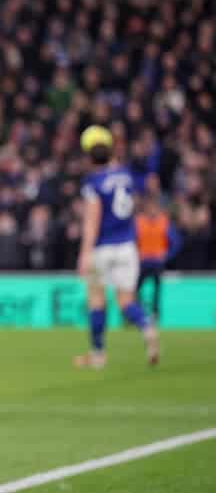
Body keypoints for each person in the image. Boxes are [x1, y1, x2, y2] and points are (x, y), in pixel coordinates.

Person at [74, 125, 159, 369]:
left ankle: (98, 354)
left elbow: (92, 221)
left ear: (88, 155)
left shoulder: (93, 183)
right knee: (126, 302)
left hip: (102, 247)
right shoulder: (126, 176)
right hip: (127, 246)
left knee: (96, 299)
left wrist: (84, 253)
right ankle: (146, 325)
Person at [134, 196, 181, 321]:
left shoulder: (164, 222)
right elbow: (131, 240)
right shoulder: (138, 222)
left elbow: (176, 242)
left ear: (158, 209)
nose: (152, 211)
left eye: (154, 208)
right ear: (146, 209)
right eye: (150, 208)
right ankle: (138, 313)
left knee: (157, 290)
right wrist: (135, 254)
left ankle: (155, 314)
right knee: (135, 289)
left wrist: (166, 255)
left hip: (157, 263)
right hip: (142, 263)